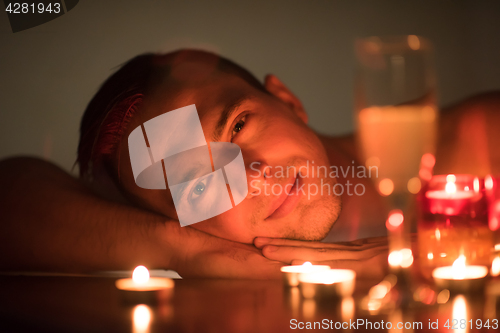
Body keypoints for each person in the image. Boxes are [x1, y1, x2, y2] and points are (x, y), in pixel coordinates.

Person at [0, 49, 498, 279]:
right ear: (192, 227)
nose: (252, 175)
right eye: (199, 186)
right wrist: (185, 254)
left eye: (237, 126)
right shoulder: (208, 251)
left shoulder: (483, 141)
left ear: (286, 99)